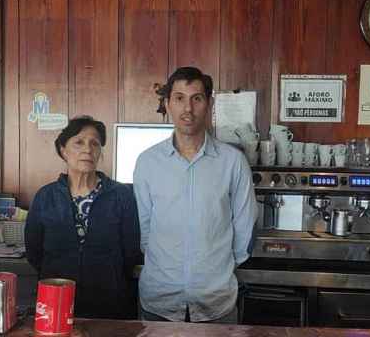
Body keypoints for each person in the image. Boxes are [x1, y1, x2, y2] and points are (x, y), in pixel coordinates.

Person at [133, 66, 257, 323]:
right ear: (167, 104)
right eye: (179, 98)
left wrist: (215, 272)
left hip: (216, 304)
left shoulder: (233, 162)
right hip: (159, 302)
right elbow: (143, 229)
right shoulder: (148, 162)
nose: (187, 108)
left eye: (196, 98)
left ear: (208, 104)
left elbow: (244, 229)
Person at [25, 115, 141, 319]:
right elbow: (34, 252)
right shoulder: (46, 196)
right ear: (63, 150)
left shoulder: (122, 195)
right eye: (79, 142)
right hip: (57, 301)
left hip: (111, 303)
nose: (87, 149)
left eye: (94, 143)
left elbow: (131, 252)